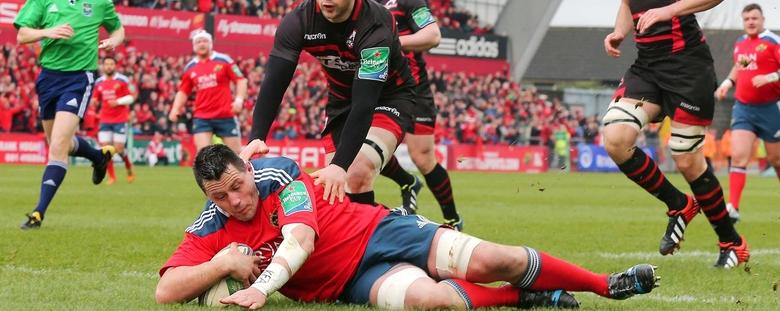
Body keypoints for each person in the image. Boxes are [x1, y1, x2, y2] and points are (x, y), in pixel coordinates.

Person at [155, 145, 660, 309]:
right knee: (433, 302)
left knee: (493, 260)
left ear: (247, 170)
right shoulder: (211, 225)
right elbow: (165, 291)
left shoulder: (278, 172)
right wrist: (220, 263)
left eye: (237, 186)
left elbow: (300, 239)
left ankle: (603, 285)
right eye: (220, 197)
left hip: (378, 231)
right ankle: (526, 297)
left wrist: (262, 286)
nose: (236, 201)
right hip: (349, 282)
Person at [602, 0, 748, 267]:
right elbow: (626, 0)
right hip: (647, 66)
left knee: (685, 158)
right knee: (615, 137)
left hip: (688, 67)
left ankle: (730, 242)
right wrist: (619, 31)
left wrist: (667, 11)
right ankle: (679, 205)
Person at [242, 0, 417, 207]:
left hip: (389, 96)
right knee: (334, 193)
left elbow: (365, 103)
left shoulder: (376, 25)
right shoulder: (298, 21)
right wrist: (257, 135)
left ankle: (386, 236)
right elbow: (274, 83)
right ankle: (376, 230)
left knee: (354, 173)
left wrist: (341, 165)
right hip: (340, 100)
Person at [15, 0, 122, 230]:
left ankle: (38, 213)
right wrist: (49, 31)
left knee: (59, 145)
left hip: (79, 78)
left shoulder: (100, 0)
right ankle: (99, 156)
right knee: (55, 143)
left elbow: (118, 27)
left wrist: (114, 40)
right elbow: (22, 35)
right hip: (48, 77)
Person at [360, 0, 462, 228]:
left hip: (414, 89)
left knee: (422, 156)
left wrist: (393, 42)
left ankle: (452, 219)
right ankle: (407, 183)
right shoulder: (357, 5)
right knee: (362, 147)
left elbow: (433, 35)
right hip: (376, 89)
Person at [714, 3, 780, 224]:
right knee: (739, 155)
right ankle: (733, 207)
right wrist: (727, 83)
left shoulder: (772, 42)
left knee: (777, 160)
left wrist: (769, 77)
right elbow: (741, 65)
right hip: (744, 108)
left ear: (762, 19)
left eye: (754, 18)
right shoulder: (741, 43)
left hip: (771, 108)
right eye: (747, 19)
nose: (751, 22)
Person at [169, 30, 247, 155]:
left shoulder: (224, 60)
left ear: (210, 44)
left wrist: (239, 100)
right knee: (203, 156)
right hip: (202, 116)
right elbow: (183, 91)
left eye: (205, 41)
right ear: (195, 46)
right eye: (199, 41)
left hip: (225, 114)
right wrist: (175, 109)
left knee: (237, 155)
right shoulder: (190, 68)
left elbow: (241, 80)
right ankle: (212, 175)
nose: (202, 44)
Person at [90, 56, 136, 184]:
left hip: (120, 119)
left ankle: (128, 167)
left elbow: (132, 97)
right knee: (105, 150)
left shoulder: (123, 80)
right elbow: (95, 99)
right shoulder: (99, 82)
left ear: (115, 66)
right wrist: (93, 102)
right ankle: (112, 177)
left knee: (119, 149)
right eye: (106, 64)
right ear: (103, 66)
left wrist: (118, 101)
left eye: (111, 64)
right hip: (105, 119)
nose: (109, 66)